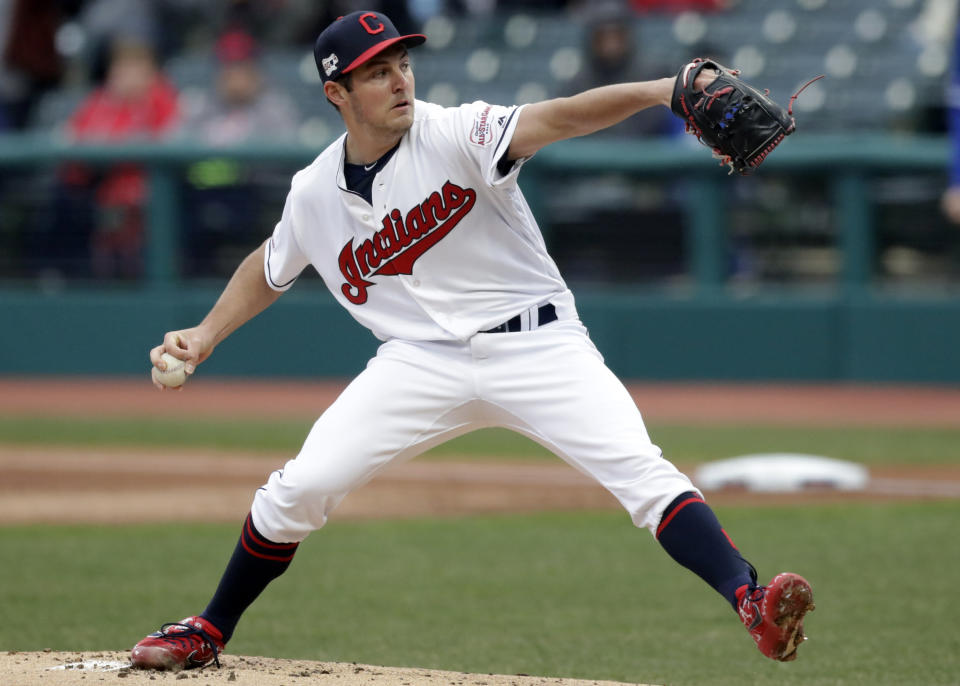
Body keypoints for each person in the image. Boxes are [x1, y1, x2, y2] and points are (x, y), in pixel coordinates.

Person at [130, 10, 814, 672]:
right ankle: (210, 627)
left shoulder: (458, 130)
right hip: (417, 363)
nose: (400, 80)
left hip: (539, 346)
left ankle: (750, 600)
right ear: (336, 93)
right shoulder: (313, 191)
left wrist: (663, 91)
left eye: (403, 63)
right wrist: (206, 333)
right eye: (376, 73)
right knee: (299, 488)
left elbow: (561, 115)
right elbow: (271, 264)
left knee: (642, 473)